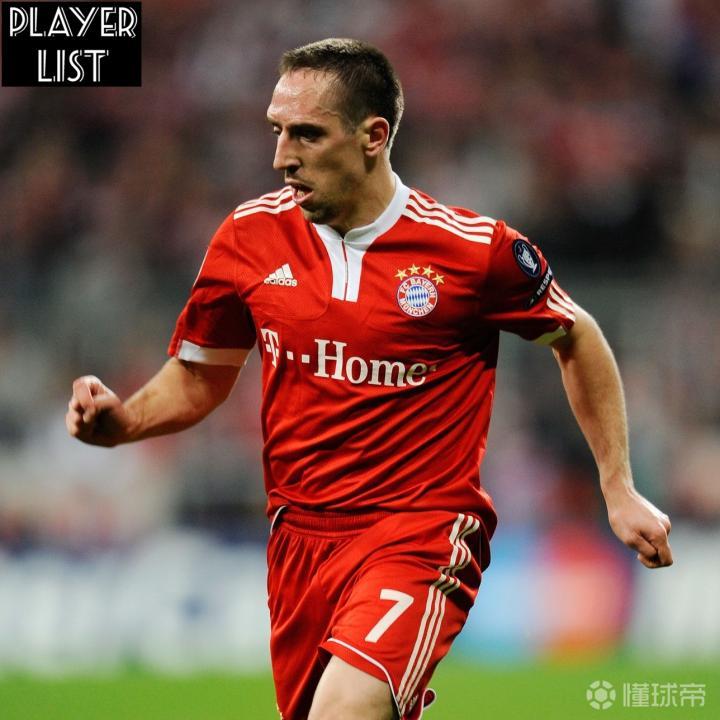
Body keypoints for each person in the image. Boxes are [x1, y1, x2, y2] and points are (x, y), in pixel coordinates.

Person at [66, 38, 673, 720]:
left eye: (306, 134)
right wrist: (123, 424)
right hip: (298, 542)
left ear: (373, 137)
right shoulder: (248, 238)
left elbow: (576, 335)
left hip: (419, 532)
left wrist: (618, 487)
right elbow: (199, 376)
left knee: (346, 712)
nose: (281, 156)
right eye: (277, 131)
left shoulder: (473, 252)